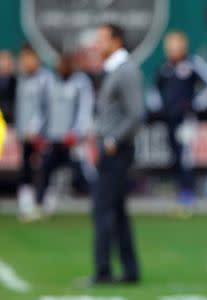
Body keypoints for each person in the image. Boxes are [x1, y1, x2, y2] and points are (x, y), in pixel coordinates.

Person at [86, 23, 143, 285]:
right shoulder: (115, 69)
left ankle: (103, 270)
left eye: (102, 38)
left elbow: (136, 114)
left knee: (103, 210)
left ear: (117, 40)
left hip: (117, 151)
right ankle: (130, 271)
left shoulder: (126, 70)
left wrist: (111, 140)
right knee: (117, 212)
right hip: (111, 150)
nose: (97, 44)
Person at [155, 31, 207, 214]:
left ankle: (188, 193)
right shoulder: (165, 67)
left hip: (186, 119)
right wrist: (159, 106)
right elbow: (155, 90)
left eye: (175, 47)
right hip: (169, 118)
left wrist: (197, 104)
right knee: (174, 154)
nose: (172, 51)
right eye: (169, 48)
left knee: (186, 156)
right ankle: (180, 191)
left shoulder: (193, 63)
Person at [33, 53, 94, 217]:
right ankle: (39, 206)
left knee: (82, 175)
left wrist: (77, 132)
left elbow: (84, 109)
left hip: (72, 141)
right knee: (44, 171)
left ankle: (97, 205)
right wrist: (38, 132)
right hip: (53, 138)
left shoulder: (81, 82)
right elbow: (44, 110)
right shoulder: (50, 82)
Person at [15, 43, 53, 222]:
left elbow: (46, 107)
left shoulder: (46, 78)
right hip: (24, 133)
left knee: (44, 168)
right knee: (25, 168)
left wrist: (35, 128)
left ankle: (44, 203)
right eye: (22, 59)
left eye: (27, 58)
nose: (24, 62)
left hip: (42, 135)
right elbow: (20, 107)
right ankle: (26, 204)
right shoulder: (22, 79)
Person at [0, 50, 17, 124]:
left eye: (8, 62)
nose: (5, 65)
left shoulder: (17, 82)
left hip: (12, 125)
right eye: (3, 61)